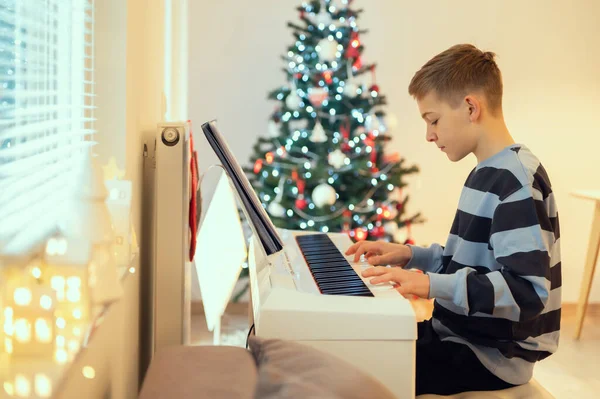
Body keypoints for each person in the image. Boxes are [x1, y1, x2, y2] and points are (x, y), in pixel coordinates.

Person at [346, 44, 561, 396]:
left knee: (360, 377)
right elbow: (472, 261)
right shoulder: (488, 172)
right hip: (459, 338)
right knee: (358, 348)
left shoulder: (516, 182)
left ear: (470, 107)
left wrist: (429, 285)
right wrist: (410, 255)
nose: (430, 135)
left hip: (487, 356)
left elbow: (527, 291)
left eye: (433, 120)